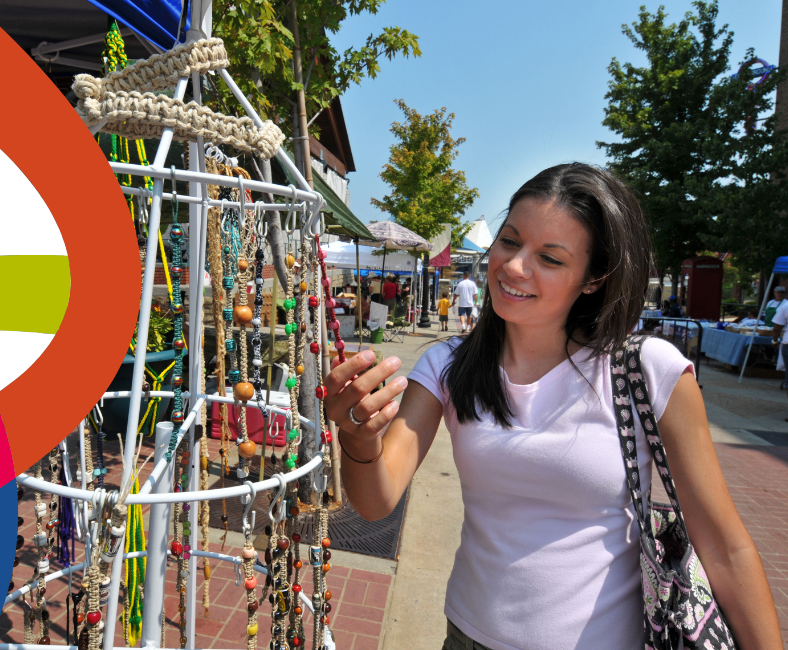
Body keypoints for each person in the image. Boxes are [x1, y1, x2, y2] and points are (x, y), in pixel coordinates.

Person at [325, 163, 781, 650]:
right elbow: (375, 503)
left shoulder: (646, 370)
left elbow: (725, 548)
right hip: (467, 637)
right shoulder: (448, 366)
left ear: (593, 279)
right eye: (510, 240)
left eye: (551, 258)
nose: (515, 266)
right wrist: (358, 436)